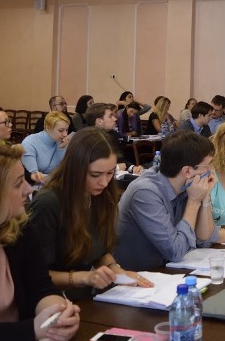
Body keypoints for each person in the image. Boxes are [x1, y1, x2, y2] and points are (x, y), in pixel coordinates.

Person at [0, 141, 80, 341]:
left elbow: (40, 286)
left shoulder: (20, 228)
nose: (28, 189)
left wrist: (58, 313)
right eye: (18, 183)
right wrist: (31, 330)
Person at [28, 128, 153, 300]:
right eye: (95, 175)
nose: (104, 182)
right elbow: (35, 275)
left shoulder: (101, 195)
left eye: (110, 173)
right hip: (53, 302)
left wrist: (116, 270)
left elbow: (99, 251)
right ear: (75, 169)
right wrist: (84, 278)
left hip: (84, 298)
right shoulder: (48, 204)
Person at [114, 131, 219, 271]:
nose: (211, 171)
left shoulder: (188, 187)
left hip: (164, 272)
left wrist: (205, 196)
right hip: (132, 278)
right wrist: (194, 202)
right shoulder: (145, 192)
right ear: (187, 172)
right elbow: (175, 251)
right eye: (208, 165)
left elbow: (205, 240)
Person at [85, 103, 142, 174]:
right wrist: (116, 168)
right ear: (99, 121)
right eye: (110, 116)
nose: (115, 119)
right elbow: (89, 167)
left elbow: (119, 159)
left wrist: (133, 168)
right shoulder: (87, 139)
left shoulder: (113, 135)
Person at [21, 112, 71, 184]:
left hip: (53, 185)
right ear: (47, 128)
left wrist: (62, 149)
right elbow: (34, 176)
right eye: (61, 130)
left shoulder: (61, 142)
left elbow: (66, 171)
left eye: (66, 130)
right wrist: (59, 179)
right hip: (34, 186)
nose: (65, 134)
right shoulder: (29, 143)